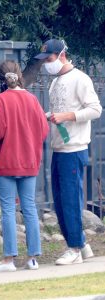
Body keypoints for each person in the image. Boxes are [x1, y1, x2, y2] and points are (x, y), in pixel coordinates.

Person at [0, 60, 49, 272]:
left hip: (7, 163)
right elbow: (43, 131)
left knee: (8, 210)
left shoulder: (1, 100)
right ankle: (33, 258)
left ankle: (9, 260)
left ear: (2, 78)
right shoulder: (33, 100)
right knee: (30, 209)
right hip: (29, 163)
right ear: (18, 75)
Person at [34, 39, 102, 265]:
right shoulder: (55, 82)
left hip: (74, 149)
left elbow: (95, 109)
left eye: (49, 59)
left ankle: (73, 248)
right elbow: (60, 111)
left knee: (70, 200)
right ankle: (81, 244)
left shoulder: (80, 79)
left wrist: (66, 116)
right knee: (61, 200)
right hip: (59, 148)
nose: (46, 63)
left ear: (62, 55)